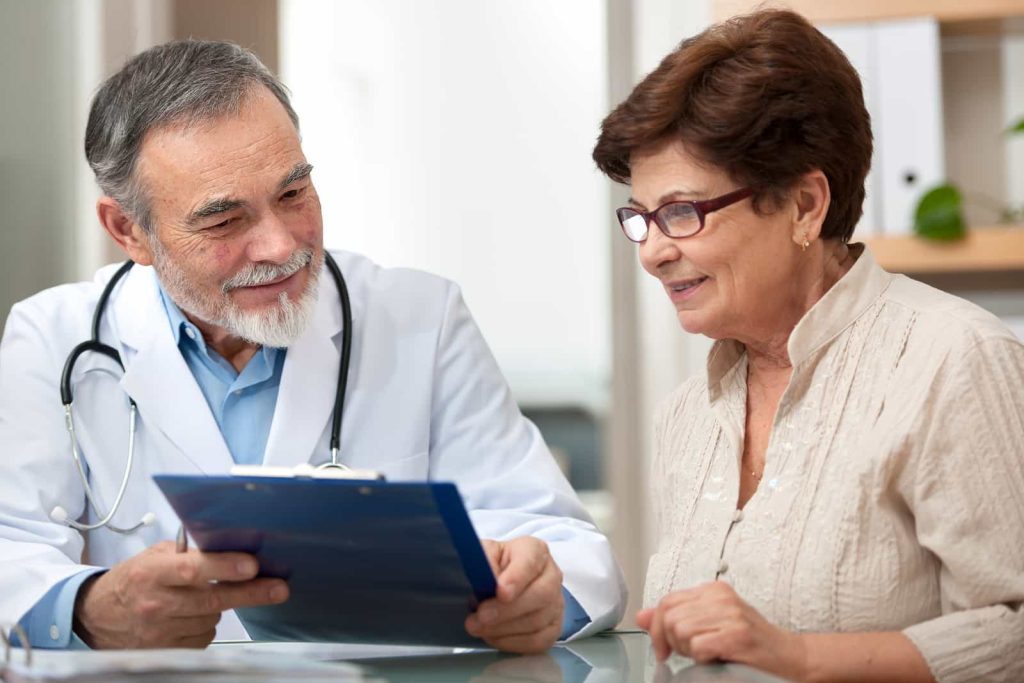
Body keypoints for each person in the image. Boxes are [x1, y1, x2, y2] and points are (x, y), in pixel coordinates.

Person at [0, 40, 625, 652]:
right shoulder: (53, 339)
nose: (280, 245)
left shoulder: (419, 319)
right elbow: (11, 550)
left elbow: (563, 545)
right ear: (128, 230)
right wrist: (87, 610)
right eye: (224, 220)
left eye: (293, 193)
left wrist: (539, 595)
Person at [592, 9, 1023, 683]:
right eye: (641, 218)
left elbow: (1014, 631)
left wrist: (798, 657)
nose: (653, 252)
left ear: (804, 205)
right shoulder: (685, 414)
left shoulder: (957, 359)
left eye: (681, 212)